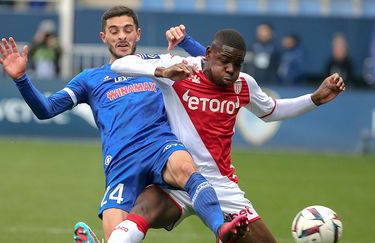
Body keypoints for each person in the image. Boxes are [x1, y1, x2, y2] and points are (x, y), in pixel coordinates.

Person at [0, 6, 247, 243]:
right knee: (117, 236)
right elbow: (46, 110)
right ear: (104, 37)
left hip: (160, 146)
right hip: (121, 163)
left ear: (138, 34)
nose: (122, 36)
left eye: (128, 30)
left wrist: (186, 43)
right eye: (114, 31)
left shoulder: (158, 63)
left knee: (186, 168)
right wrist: (22, 79)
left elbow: (210, 64)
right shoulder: (90, 79)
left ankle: (219, 229)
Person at [110, 28, 345, 242]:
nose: (232, 70)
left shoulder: (243, 84)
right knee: (139, 214)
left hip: (221, 187)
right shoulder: (180, 69)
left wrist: (314, 99)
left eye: (238, 64)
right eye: (225, 62)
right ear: (209, 54)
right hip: (178, 180)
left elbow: (271, 111)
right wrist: (162, 71)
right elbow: (120, 65)